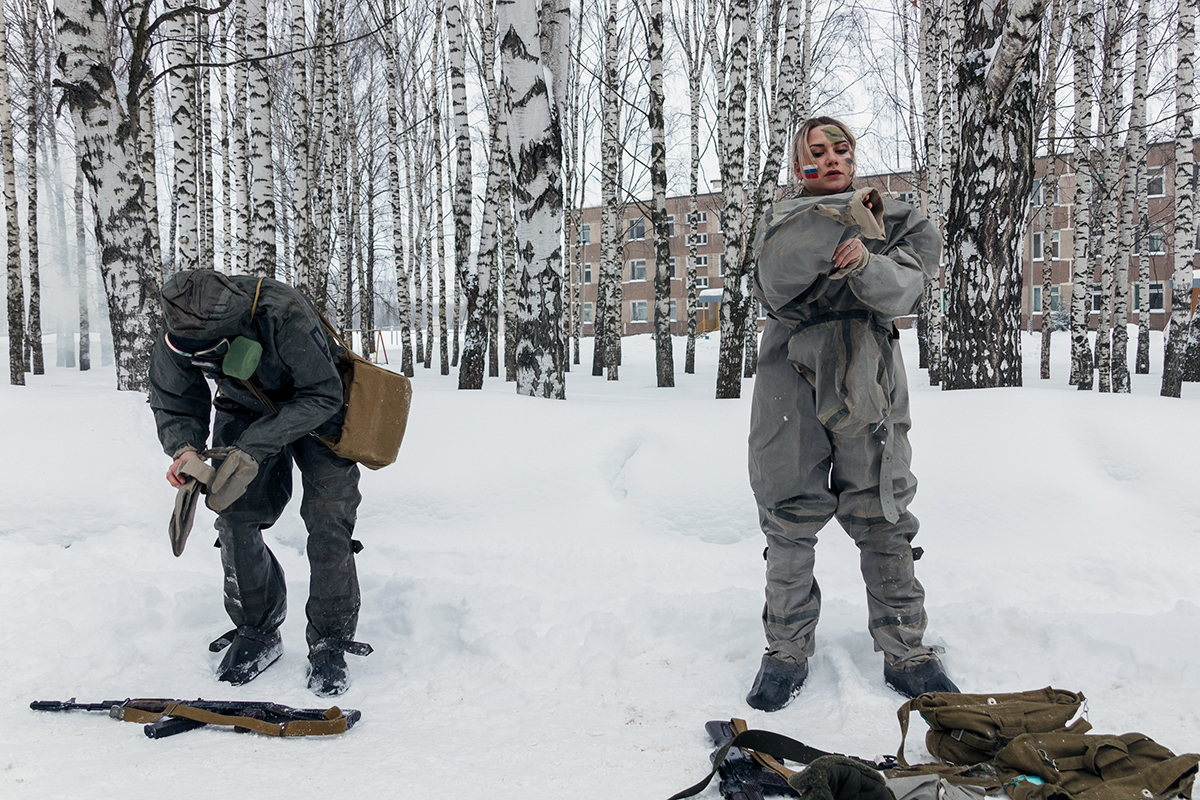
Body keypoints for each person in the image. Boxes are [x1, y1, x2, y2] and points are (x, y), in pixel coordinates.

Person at [744, 117, 958, 711]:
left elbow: (907, 291)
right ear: (798, 166)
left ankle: (907, 652)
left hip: (869, 369)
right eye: (816, 152)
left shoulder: (898, 217)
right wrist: (836, 220)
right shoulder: (778, 219)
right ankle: (785, 650)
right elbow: (777, 279)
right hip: (790, 370)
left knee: (883, 507)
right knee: (788, 512)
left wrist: (867, 261)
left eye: (841, 149)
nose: (832, 159)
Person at [149, 269, 370, 697]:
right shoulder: (181, 323)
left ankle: (330, 638)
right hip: (243, 404)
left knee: (329, 520)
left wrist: (254, 447)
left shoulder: (281, 312)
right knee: (232, 515)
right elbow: (174, 396)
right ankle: (257, 629)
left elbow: (322, 394)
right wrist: (185, 449)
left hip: (319, 408)